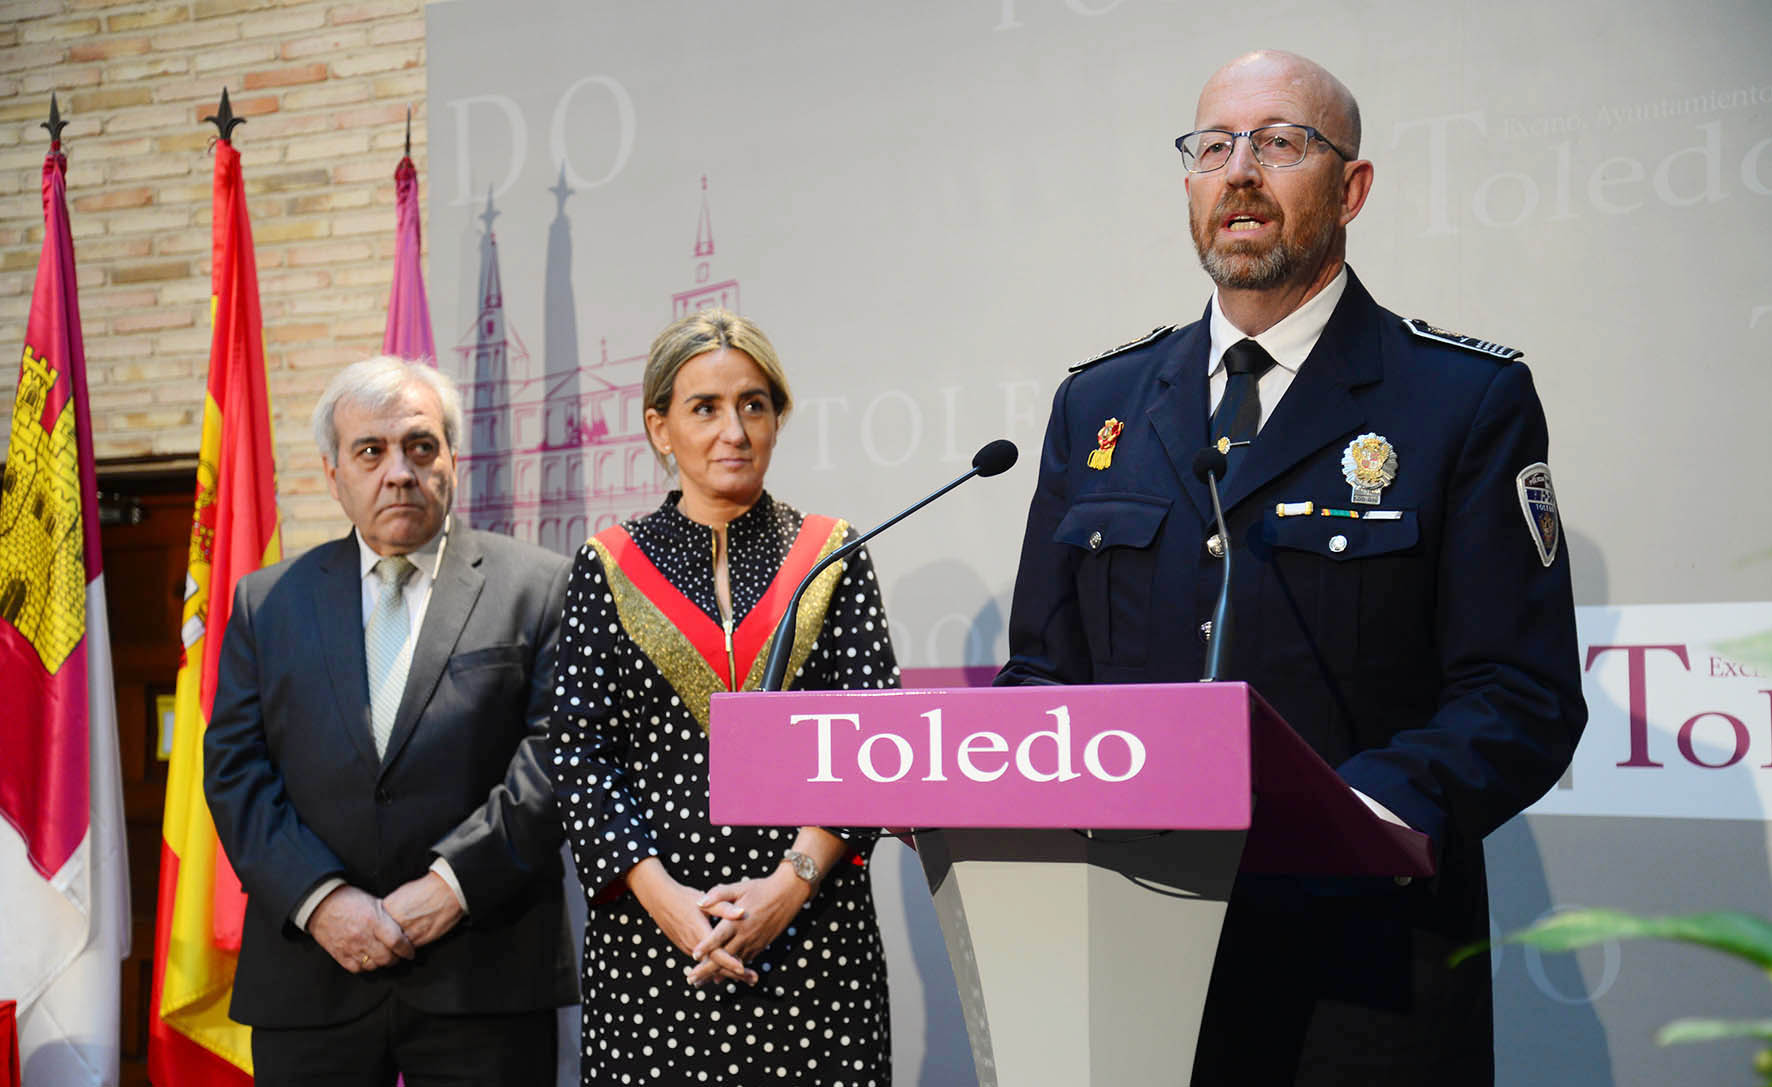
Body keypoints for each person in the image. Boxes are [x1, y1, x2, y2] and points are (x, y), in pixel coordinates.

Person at [996, 50, 1586, 1085]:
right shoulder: (1099, 405)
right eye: (1212, 146)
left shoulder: (1459, 401)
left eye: (1279, 142)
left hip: (1364, 968)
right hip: (1133, 957)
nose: (1238, 171)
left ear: (1351, 186)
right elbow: (1045, 670)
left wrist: (1365, 811)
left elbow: (1518, 691)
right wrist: (989, 784)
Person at [548, 308, 898, 1085]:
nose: (733, 429)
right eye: (704, 407)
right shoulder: (606, 566)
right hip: (654, 946)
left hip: (812, 937)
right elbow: (577, 753)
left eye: (754, 404)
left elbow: (872, 742)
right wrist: (666, 900)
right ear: (659, 428)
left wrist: (788, 886)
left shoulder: (831, 556)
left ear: (778, 417)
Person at [203, 356, 575, 1085]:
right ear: (332, 471)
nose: (398, 471)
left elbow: (556, 757)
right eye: (371, 451)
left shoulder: (539, 585)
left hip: (485, 975)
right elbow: (235, 771)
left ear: (453, 461)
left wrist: (449, 887)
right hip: (313, 980)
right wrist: (323, 901)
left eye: (420, 446)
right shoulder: (264, 604)